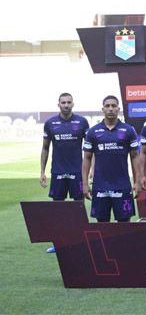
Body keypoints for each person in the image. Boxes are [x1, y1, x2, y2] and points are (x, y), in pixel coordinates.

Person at [40, 92, 90, 253]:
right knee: (58, 209)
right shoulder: (50, 123)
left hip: (77, 171)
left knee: (79, 208)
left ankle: (81, 241)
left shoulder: (82, 122)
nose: (66, 105)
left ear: (73, 104)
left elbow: (90, 149)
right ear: (58, 104)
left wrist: (90, 170)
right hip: (58, 172)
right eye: (63, 102)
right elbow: (45, 148)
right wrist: (42, 171)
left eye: (69, 102)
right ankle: (58, 243)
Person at [82, 95, 141, 222]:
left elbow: (135, 156)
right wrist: (85, 184)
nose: (110, 109)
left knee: (125, 225)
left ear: (118, 109)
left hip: (122, 185)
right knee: (102, 226)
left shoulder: (128, 130)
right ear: (102, 109)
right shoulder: (93, 132)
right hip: (100, 186)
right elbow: (86, 158)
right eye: (107, 106)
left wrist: (137, 181)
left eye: (113, 106)